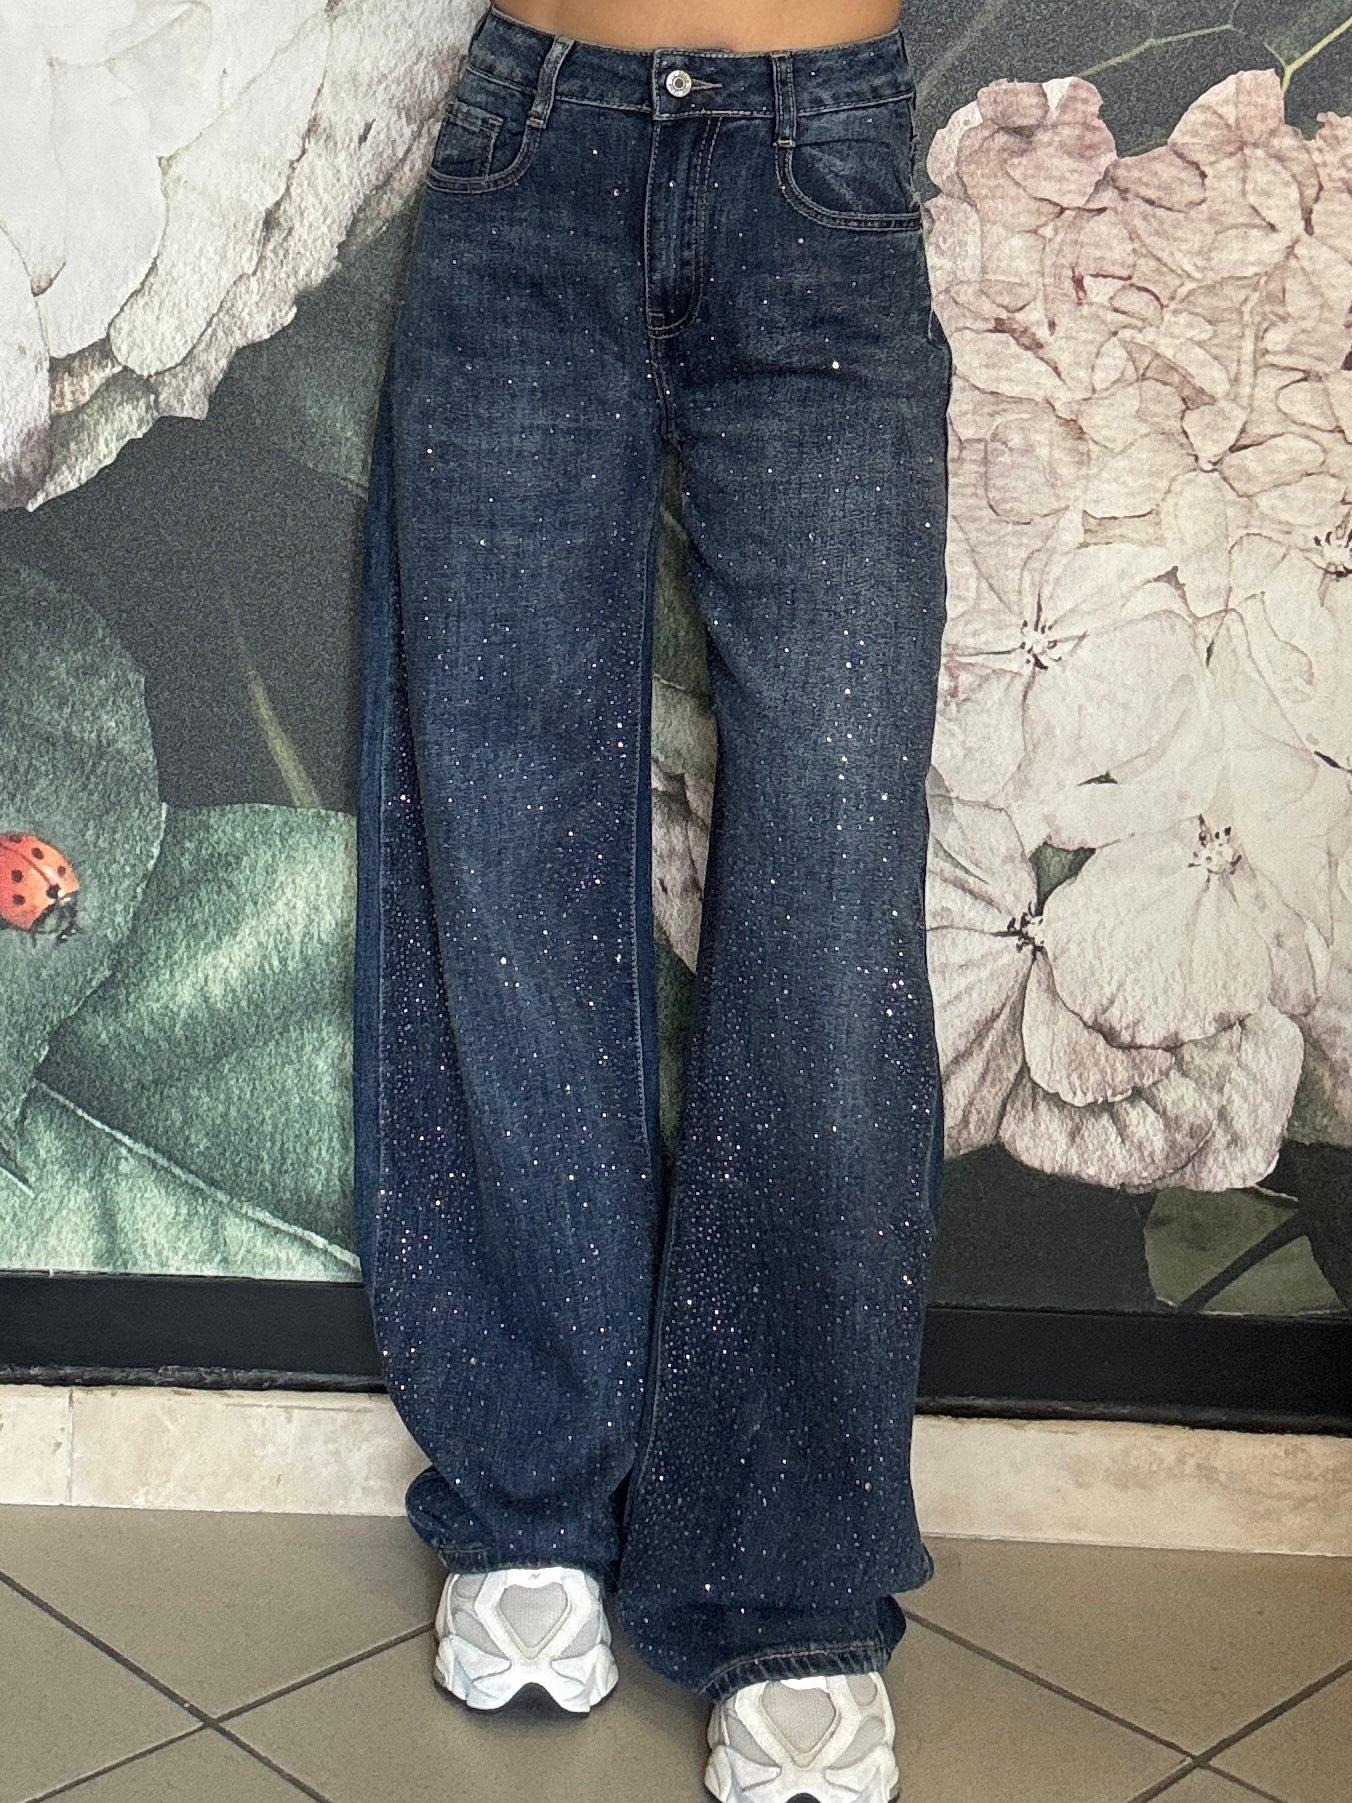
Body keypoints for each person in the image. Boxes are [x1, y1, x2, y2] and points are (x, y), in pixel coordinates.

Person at [352, 1, 951, 1797]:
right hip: (532, 143)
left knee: (833, 878)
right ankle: (531, 1490)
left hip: (824, 170)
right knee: (501, 829)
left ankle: (789, 1572)